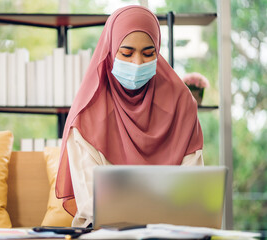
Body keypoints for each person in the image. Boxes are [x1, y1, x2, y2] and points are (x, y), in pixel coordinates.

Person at [55, 5, 204, 228]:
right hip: (104, 230)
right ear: (111, 50)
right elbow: (91, 203)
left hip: (171, 230)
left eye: (148, 53)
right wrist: (160, 205)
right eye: (126, 53)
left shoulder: (181, 104)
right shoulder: (87, 116)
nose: (137, 63)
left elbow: (194, 188)